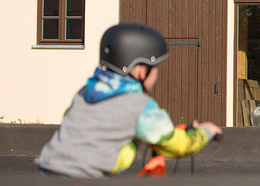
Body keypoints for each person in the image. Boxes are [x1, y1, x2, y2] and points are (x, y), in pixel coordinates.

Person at [35, 23, 223, 177]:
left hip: (47, 172)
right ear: (142, 70)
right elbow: (175, 145)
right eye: (155, 67)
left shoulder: (84, 93)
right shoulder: (139, 106)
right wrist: (205, 131)